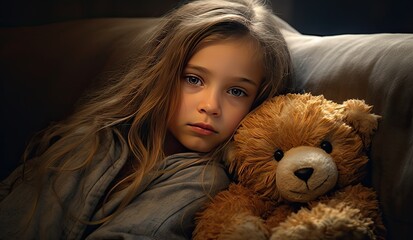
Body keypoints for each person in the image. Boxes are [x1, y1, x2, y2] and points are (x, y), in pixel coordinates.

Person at [0, 0, 292, 239]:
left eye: (237, 91)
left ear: (259, 102)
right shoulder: (92, 138)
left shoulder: (202, 180)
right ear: (161, 75)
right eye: (193, 79)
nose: (210, 106)